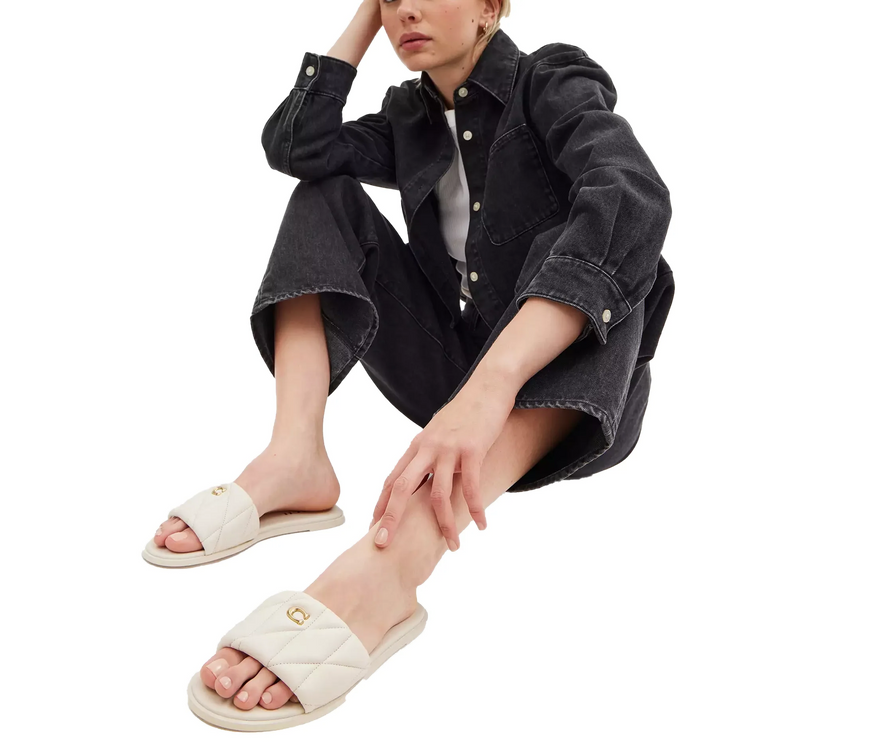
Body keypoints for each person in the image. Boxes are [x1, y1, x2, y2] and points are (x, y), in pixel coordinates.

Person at [147, 0, 675, 722]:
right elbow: (299, 146)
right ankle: (295, 456)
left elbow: (635, 194)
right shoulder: (409, 117)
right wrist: (364, 20)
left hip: (567, 398)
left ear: (490, 7)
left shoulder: (550, 80)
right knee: (323, 191)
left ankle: (394, 563)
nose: (407, 10)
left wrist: (491, 388)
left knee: (616, 248)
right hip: (451, 376)